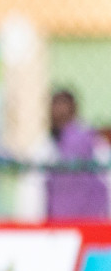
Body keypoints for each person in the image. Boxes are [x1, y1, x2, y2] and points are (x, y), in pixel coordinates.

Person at [44, 89, 110, 220]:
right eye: (55, 107)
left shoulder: (89, 139)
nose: (57, 112)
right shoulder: (48, 144)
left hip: (90, 219)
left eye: (63, 108)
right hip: (60, 221)